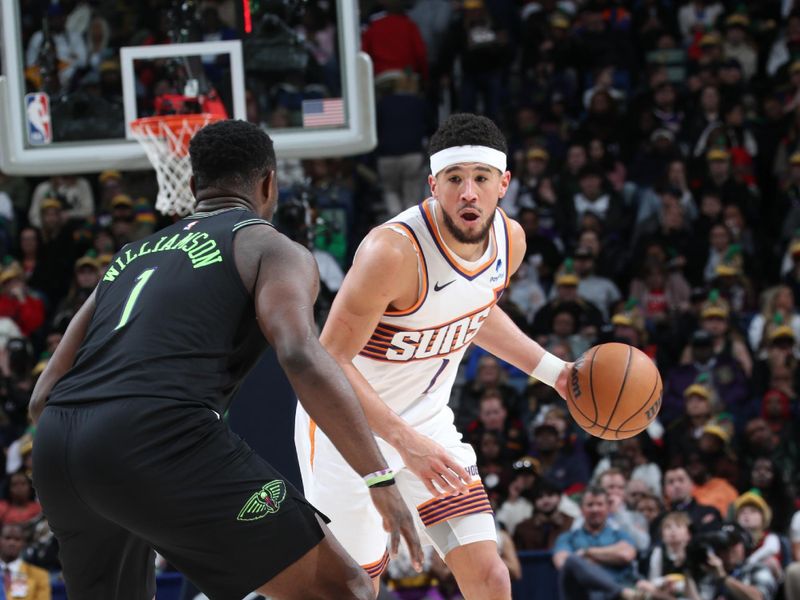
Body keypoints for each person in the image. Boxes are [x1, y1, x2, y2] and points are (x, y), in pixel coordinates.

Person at [28, 120, 422, 600]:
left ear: (192, 186)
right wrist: (377, 475)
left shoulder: (128, 257)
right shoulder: (270, 247)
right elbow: (299, 352)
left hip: (58, 446)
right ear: (269, 184)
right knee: (346, 591)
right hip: (158, 434)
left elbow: (41, 395)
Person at [295, 113, 573, 599]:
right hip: (346, 432)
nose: (469, 192)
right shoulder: (393, 252)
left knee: (491, 577)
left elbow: (475, 310)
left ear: (503, 184)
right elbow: (328, 360)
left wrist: (556, 373)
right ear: (433, 185)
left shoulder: (512, 241)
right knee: (357, 589)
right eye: (455, 179)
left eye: (481, 179)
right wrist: (404, 443)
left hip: (426, 424)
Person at [552, 486, 639, 600]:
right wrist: (612, 554)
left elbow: (626, 555)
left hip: (615, 592)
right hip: (583, 594)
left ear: (608, 508)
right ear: (581, 509)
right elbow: (563, 563)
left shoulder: (620, 535)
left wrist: (586, 552)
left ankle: (618, 591)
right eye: (590, 505)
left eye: (599, 504)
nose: (595, 509)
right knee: (572, 561)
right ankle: (620, 592)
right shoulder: (567, 538)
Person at [0, 523, 50, 600]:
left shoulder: (39, 576)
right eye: (7, 538)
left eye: (17, 539)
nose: (12, 543)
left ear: (23, 543)